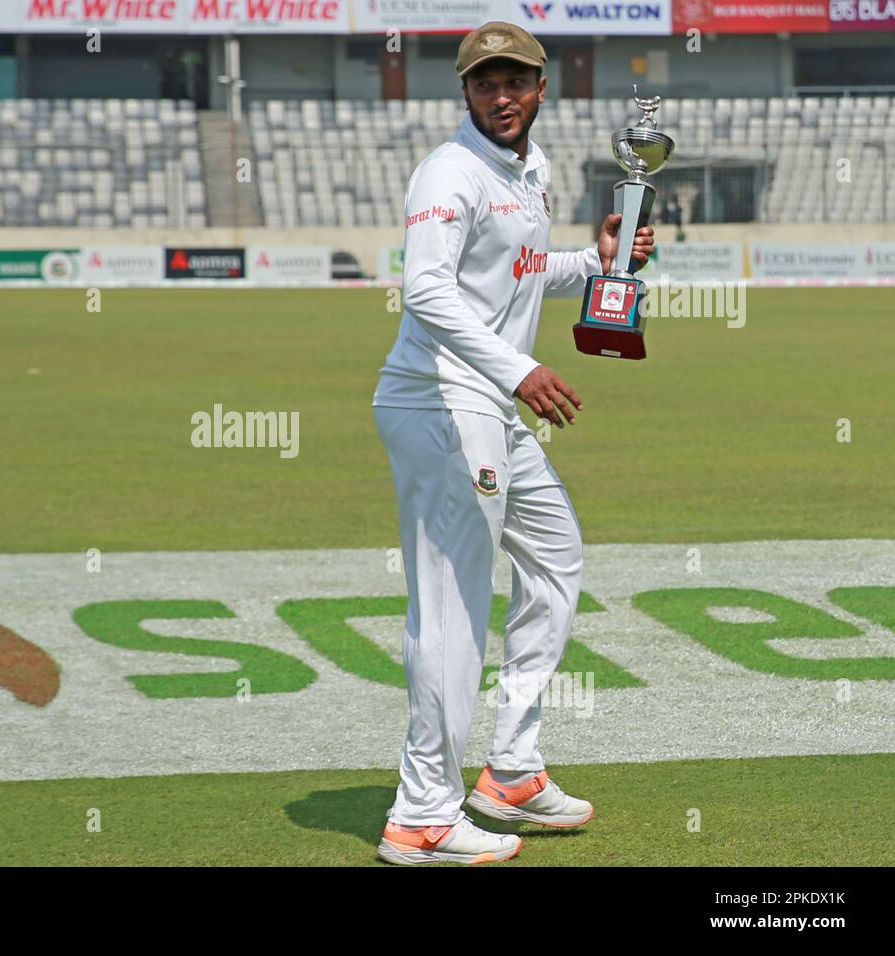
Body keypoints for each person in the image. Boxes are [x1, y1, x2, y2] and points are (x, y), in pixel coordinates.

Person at [372, 21, 655, 866]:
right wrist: (522, 368)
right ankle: (422, 813)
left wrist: (594, 259)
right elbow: (424, 287)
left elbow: (516, 271)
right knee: (453, 607)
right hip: (442, 401)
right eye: (486, 83)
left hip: (490, 403)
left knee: (558, 558)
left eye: (517, 81)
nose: (503, 96)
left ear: (540, 89)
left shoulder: (527, 170)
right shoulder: (450, 171)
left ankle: (511, 771)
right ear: (465, 92)